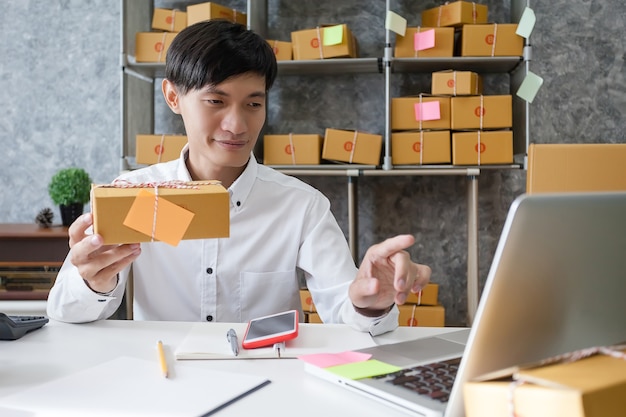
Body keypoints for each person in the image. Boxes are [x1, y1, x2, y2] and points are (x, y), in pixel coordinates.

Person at [47, 19, 431, 336]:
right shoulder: (132, 194)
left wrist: (370, 302)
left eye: (253, 103)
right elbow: (65, 313)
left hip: (271, 387)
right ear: (173, 97)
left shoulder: (300, 205)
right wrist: (93, 281)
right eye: (215, 101)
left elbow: (346, 311)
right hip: (166, 386)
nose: (236, 124)